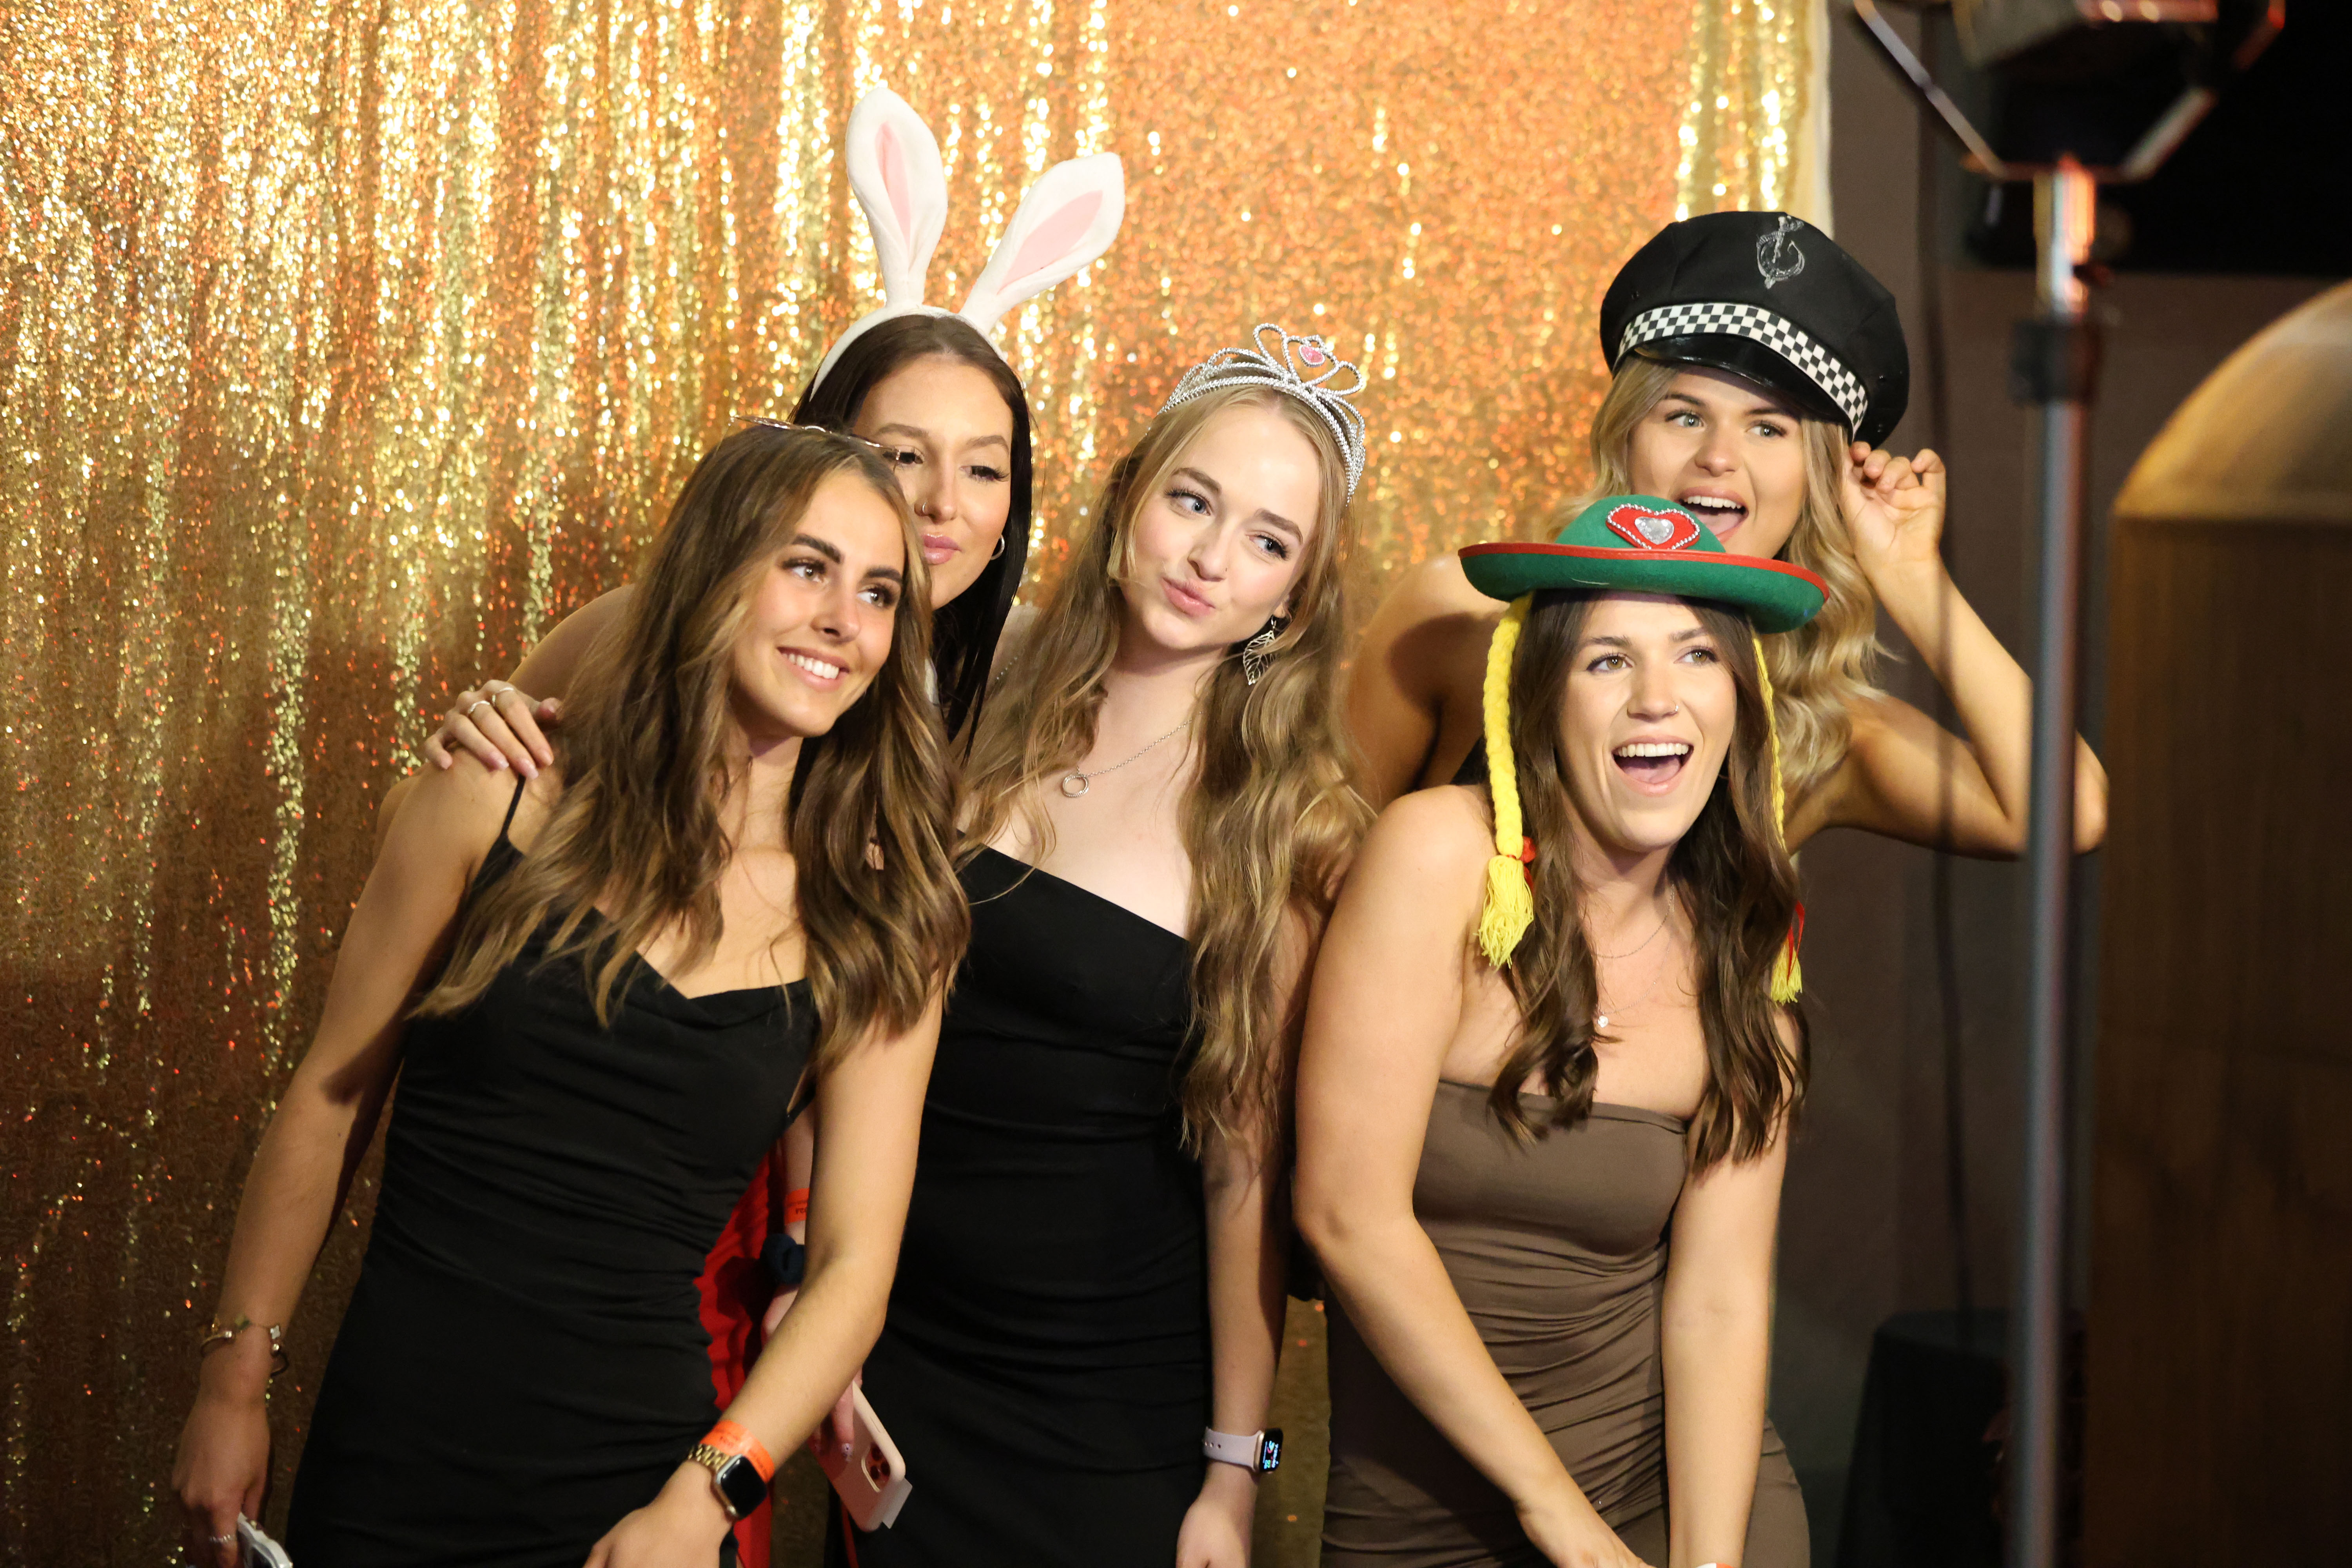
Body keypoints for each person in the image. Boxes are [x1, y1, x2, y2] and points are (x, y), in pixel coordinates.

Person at [388, 88, 1125, 1567]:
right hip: (679, 1207)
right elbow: (501, 836)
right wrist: (475, 728)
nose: (942, 503)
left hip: (905, 1245)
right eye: (900, 454)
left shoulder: (1033, 697)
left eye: (987, 466)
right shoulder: (655, 634)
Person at [169, 423, 969, 1568]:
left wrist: (702, 1503)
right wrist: (233, 1381)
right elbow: (331, 1097)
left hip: (640, 1494)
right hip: (393, 1453)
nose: (846, 620)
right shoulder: (495, 800)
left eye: (881, 593)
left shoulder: (879, 921)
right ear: (710, 572)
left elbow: (852, 1273)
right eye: (808, 567)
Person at [833, 324, 1371, 1568]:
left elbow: (1244, 1178)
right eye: (1194, 501)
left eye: (1269, 541)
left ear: (1295, 596)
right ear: (1132, 494)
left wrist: (1237, 1476)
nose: (1211, 558)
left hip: (1106, 1413)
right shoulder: (974, 690)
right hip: (893, 1358)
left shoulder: (1287, 823)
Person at [1298, 494, 1829, 1567]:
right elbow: (1346, 1213)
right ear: (1537, 698)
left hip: (1673, 1497)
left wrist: (1708, 1561)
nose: (1656, 698)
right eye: (1607, 660)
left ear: (1742, 703)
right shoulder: (1438, 858)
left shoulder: (1747, 949)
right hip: (1435, 1519)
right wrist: (1559, 1517)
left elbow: (1721, 1303)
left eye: (1697, 655)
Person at [1348, 211, 2106, 858]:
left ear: (1817, 478)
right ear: (1625, 439)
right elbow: (1318, 878)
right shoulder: (1459, 617)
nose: (1719, 456)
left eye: (1767, 428)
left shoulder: (1822, 731)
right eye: (1685, 416)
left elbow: (2068, 814)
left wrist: (1912, 576)